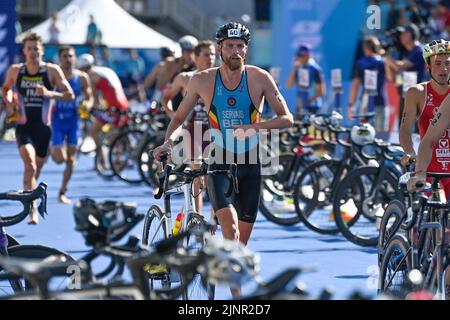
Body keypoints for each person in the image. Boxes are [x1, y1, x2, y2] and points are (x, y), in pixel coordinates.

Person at [153, 22, 294, 297]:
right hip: (218, 159)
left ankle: (225, 269)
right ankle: (236, 298)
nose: (235, 51)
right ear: (220, 48)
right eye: (230, 46)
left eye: (240, 46)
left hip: (251, 161)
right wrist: (169, 141)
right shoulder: (202, 79)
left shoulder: (259, 77)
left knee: (239, 244)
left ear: (246, 49)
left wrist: (254, 128)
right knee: (229, 230)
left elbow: (287, 118)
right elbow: (180, 118)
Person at [2, 32, 74, 224]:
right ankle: (32, 209)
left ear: (41, 51)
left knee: (35, 170)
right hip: (24, 127)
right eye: (29, 48)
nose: (33, 52)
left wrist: (49, 93)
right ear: (24, 51)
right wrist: (9, 104)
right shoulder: (15, 71)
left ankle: (30, 192)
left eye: (36, 48)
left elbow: (70, 95)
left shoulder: (52, 71)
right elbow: (5, 89)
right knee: (30, 165)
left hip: (44, 130)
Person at [162, 40, 216, 215]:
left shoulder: (220, 77)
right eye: (206, 54)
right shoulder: (185, 78)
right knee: (197, 172)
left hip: (214, 132)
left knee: (213, 178)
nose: (211, 58)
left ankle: (214, 220)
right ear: (195, 57)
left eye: (213, 54)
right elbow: (166, 97)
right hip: (193, 130)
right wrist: (173, 115)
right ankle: (197, 216)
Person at [401, 39, 450, 198]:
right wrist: (409, 152)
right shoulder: (417, 92)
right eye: (438, 63)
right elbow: (405, 130)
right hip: (430, 168)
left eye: (448, 63)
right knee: (435, 214)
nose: (444, 69)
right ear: (427, 66)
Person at [51, 46, 94, 204]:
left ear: (75, 58)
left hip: (74, 121)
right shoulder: (54, 76)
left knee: (71, 158)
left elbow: (90, 98)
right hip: (57, 121)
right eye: (65, 56)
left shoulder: (82, 77)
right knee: (59, 159)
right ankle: (53, 148)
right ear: (60, 58)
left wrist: (87, 106)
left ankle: (63, 191)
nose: (68, 59)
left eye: (70, 56)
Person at [76, 53, 128, 167]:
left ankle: (102, 161)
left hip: (114, 107)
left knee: (95, 132)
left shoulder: (90, 75)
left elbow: (95, 100)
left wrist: (87, 108)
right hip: (122, 104)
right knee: (115, 134)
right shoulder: (104, 69)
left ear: (83, 68)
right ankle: (114, 161)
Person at [384, 23, 426, 126]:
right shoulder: (403, 52)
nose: (401, 36)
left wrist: (386, 56)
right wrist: (387, 59)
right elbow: (391, 77)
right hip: (405, 92)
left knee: (415, 127)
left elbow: (400, 66)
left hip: (416, 94)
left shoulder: (419, 50)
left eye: (404, 34)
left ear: (412, 34)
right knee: (402, 126)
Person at [348, 35, 389, 132]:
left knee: (365, 135)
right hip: (381, 101)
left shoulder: (361, 63)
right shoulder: (382, 61)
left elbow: (355, 85)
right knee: (381, 137)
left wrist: (351, 105)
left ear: (365, 48)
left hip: (365, 102)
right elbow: (391, 78)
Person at [286, 43, 325, 118]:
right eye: (300, 55)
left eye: (303, 55)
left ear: (309, 55)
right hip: (300, 106)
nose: (302, 58)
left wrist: (307, 102)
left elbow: (321, 91)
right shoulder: (298, 67)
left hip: (313, 107)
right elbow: (289, 85)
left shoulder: (315, 69)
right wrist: (294, 69)